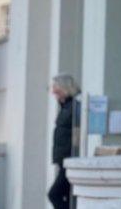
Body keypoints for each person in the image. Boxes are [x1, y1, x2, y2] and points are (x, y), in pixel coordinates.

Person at [48, 74, 80, 209]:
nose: (53, 91)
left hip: (70, 160)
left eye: (56, 87)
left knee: (54, 194)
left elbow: (78, 132)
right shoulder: (65, 106)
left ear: (64, 88)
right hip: (63, 161)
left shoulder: (74, 106)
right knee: (67, 196)